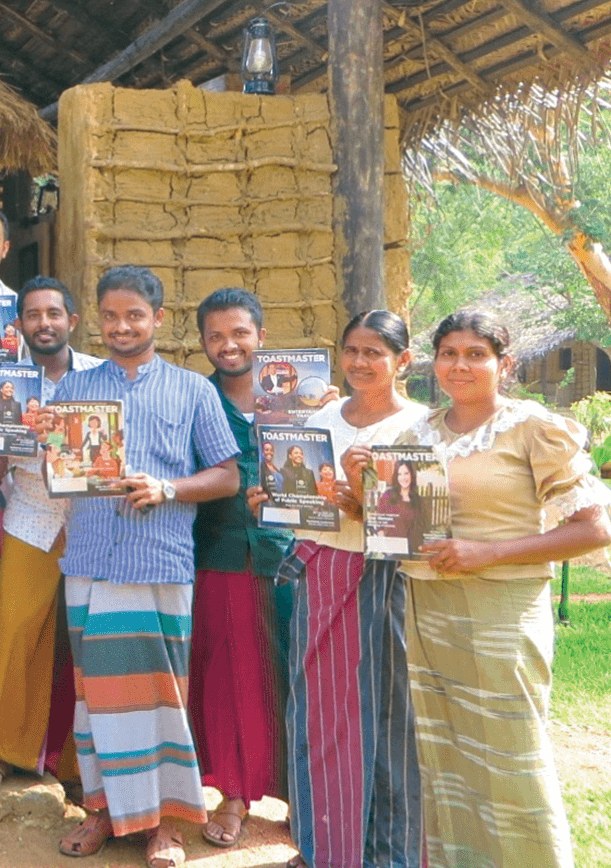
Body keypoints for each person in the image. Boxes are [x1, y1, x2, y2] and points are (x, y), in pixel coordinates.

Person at [395, 309, 610, 868]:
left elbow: (594, 528)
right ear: (433, 361)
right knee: (446, 754)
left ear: (503, 364)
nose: (459, 365)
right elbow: (398, 523)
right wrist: (350, 487)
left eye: (475, 354)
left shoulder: (532, 428)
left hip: (502, 611)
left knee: (511, 755)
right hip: (429, 608)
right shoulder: (418, 432)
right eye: (448, 353)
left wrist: (487, 553)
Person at [49, 266, 240, 867]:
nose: (121, 326)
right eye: (110, 316)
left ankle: (167, 824)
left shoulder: (192, 391)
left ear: (159, 320)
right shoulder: (75, 391)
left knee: (161, 697)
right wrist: (51, 447)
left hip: (158, 561)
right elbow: (61, 474)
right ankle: (103, 812)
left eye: (135, 315)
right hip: (89, 561)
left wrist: (169, 488)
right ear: (97, 319)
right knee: (94, 696)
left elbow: (229, 476)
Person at [248, 309, 427, 868]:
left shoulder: (420, 426)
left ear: (403, 360)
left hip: (391, 581)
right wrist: (269, 500)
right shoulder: (321, 418)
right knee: (320, 714)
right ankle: (327, 847)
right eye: (352, 350)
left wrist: (361, 504)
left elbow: (418, 531)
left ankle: (393, 852)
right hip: (323, 572)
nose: (360, 362)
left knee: (393, 717)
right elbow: (298, 494)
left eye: (375, 352)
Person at [0, 276, 102, 807]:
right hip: (30, 517)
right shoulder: (5, 381)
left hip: (93, 522)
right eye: (33, 315)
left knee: (83, 642)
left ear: (72, 320)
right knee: (17, 635)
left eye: (54, 314)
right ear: (17, 325)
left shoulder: (101, 376)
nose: (44, 323)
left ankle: (73, 762)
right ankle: (2, 752)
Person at [187, 289, 296, 850]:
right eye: (215, 336)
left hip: (291, 556)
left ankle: (302, 794)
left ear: (261, 334)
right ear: (202, 341)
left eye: (239, 334)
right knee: (230, 678)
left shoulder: (297, 399)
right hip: (221, 552)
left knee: (294, 675)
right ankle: (233, 795)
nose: (228, 346)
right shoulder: (194, 399)